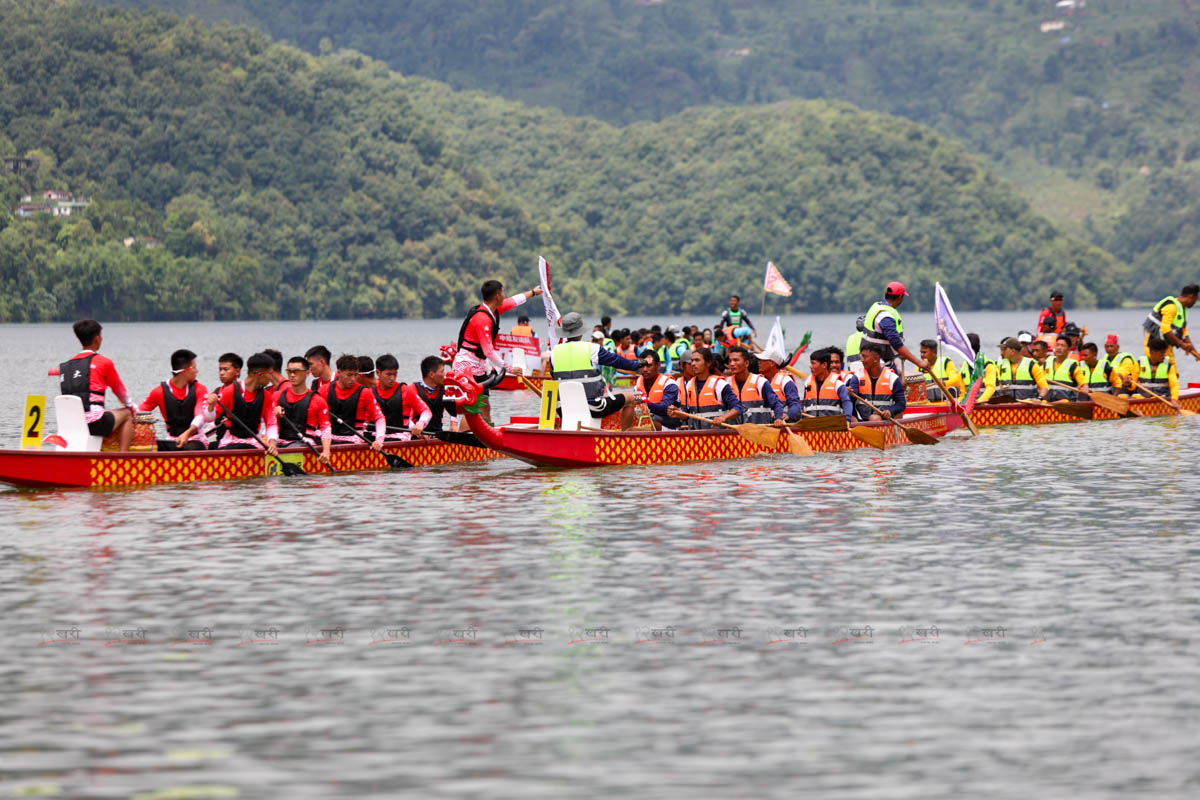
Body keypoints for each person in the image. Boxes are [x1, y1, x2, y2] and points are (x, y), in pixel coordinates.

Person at [453, 279, 542, 422]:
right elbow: (488, 351)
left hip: (479, 365)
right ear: (497, 296)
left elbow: (515, 300)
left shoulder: (493, 309)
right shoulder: (482, 318)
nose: (505, 295)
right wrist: (510, 369)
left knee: (485, 406)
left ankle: (486, 441)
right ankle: (470, 441)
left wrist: (533, 292)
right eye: (503, 291)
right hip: (467, 366)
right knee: (474, 408)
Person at [59, 319, 137, 450]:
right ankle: (123, 458)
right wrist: (131, 406)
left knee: (105, 414)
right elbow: (120, 392)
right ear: (96, 339)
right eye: (101, 336)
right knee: (127, 413)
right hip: (94, 423)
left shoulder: (65, 366)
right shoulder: (104, 362)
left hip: (71, 423)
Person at [550, 312, 640, 419]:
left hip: (563, 409)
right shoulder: (593, 349)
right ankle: (625, 434)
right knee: (630, 398)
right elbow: (617, 361)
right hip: (593, 408)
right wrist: (638, 365)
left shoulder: (554, 352)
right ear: (581, 332)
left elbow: (554, 376)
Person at [206, 351, 279, 452]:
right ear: (261, 375)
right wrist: (210, 407)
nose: (272, 378)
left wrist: (272, 442)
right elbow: (209, 418)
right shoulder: (230, 391)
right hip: (231, 441)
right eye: (270, 374)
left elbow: (271, 423)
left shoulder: (267, 396)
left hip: (255, 442)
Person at [137, 348, 208, 451]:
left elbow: (200, 416)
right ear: (185, 371)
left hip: (195, 441)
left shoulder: (200, 389)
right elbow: (138, 412)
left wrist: (187, 434)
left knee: (192, 448)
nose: (197, 371)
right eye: (194, 367)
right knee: (150, 446)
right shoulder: (159, 392)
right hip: (172, 441)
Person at [274, 356, 332, 465]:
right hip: (280, 442)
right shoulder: (277, 396)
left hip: (305, 442)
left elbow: (325, 429)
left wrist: (326, 451)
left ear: (307, 373)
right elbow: (269, 425)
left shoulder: (318, 400)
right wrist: (274, 413)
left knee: (294, 446)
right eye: (289, 371)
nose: (292, 375)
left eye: (297, 372)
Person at [320, 354, 385, 450]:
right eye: (349, 375)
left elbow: (379, 418)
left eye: (356, 375)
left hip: (354, 439)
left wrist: (379, 439)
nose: (353, 379)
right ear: (339, 373)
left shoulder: (365, 392)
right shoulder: (324, 390)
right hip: (329, 438)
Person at [668, 348, 744, 429]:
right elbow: (687, 414)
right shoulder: (690, 384)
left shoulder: (719, 384)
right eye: (692, 360)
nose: (693, 364)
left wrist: (723, 418)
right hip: (696, 437)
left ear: (708, 363)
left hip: (717, 437)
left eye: (697, 360)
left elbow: (737, 408)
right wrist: (678, 413)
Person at [861, 281, 927, 373]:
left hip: (875, 359)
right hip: (878, 363)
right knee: (898, 385)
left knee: (900, 378)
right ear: (900, 297)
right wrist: (919, 363)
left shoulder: (877, 306)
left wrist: (901, 354)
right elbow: (896, 343)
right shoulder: (885, 316)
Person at [374, 353, 432, 440]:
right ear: (378, 373)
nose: (392, 378)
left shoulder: (405, 390)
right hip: (375, 437)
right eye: (388, 374)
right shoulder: (369, 392)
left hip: (400, 437)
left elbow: (426, 411)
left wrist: (420, 425)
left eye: (395, 374)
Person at [726, 346, 787, 426]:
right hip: (734, 435)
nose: (732, 364)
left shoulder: (760, 382)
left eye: (736, 360)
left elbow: (777, 404)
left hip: (759, 433)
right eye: (730, 361)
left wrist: (779, 418)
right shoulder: (726, 383)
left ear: (746, 363)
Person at [848, 343, 905, 421]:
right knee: (849, 418)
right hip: (862, 422)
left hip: (884, 421)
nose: (862, 360)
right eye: (861, 356)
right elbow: (849, 402)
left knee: (874, 418)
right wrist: (854, 417)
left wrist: (890, 411)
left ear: (876, 359)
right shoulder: (857, 378)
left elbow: (901, 404)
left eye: (865, 357)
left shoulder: (893, 378)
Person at [1142, 284, 1198, 361]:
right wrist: (1182, 345)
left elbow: (1185, 334)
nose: (1195, 303)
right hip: (1155, 350)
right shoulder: (1171, 307)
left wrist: (1196, 354)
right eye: (1196, 299)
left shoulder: (1182, 310)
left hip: (1166, 348)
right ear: (1191, 296)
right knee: (1163, 371)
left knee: (1173, 371)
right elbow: (1165, 329)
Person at [631, 350, 681, 430]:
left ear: (658, 366)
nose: (644, 369)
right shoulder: (638, 383)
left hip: (669, 427)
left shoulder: (669, 384)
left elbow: (665, 408)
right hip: (646, 424)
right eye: (642, 366)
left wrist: (644, 403)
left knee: (650, 425)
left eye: (648, 366)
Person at [803, 348, 854, 421]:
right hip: (811, 425)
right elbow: (804, 404)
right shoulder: (807, 383)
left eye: (813, 363)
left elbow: (847, 403)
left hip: (831, 426)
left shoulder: (838, 384)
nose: (810, 366)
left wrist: (847, 419)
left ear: (824, 365)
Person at [205, 352, 243, 448]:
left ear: (237, 371)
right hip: (222, 440)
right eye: (220, 369)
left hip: (240, 441)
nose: (221, 373)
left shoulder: (243, 391)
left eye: (225, 369)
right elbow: (211, 421)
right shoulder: (216, 392)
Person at [415, 355, 461, 434]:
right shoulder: (414, 389)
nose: (445, 374)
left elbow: (453, 409)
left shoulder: (445, 389)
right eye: (442, 371)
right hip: (417, 434)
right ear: (432, 375)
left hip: (437, 433)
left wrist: (453, 425)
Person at [756, 346, 803, 423]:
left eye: (762, 360)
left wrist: (788, 415)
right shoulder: (758, 380)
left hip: (781, 424)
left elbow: (796, 405)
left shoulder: (786, 381)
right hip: (763, 426)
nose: (759, 362)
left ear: (772, 363)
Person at [996, 337, 1048, 401]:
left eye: (1005, 349)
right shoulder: (1001, 365)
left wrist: (1039, 398)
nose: (1002, 352)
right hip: (1008, 407)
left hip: (1027, 406)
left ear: (1013, 351)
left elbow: (1044, 386)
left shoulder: (1031, 365)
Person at [1134, 338, 1179, 403]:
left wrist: (1174, 399)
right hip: (1142, 398)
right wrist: (1128, 383)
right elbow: (1132, 386)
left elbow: (1174, 384)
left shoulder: (1169, 367)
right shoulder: (1139, 364)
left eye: (1164, 353)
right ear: (1153, 352)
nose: (1164, 356)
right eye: (1162, 353)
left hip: (1162, 398)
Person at [1043, 335, 1087, 401]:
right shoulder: (1047, 362)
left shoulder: (1073, 365)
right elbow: (1038, 378)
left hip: (1066, 404)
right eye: (1057, 345)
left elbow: (1083, 383)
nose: (1059, 348)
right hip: (1047, 402)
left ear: (1069, 349)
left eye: (1063, 346)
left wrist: (1084, 388)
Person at [960, 333, 999, 404]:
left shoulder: (988, 366)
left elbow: (991, 388)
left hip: (987, 406)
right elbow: (963, 392)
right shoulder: (965, 366)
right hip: (970, 406)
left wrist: (979, 401)